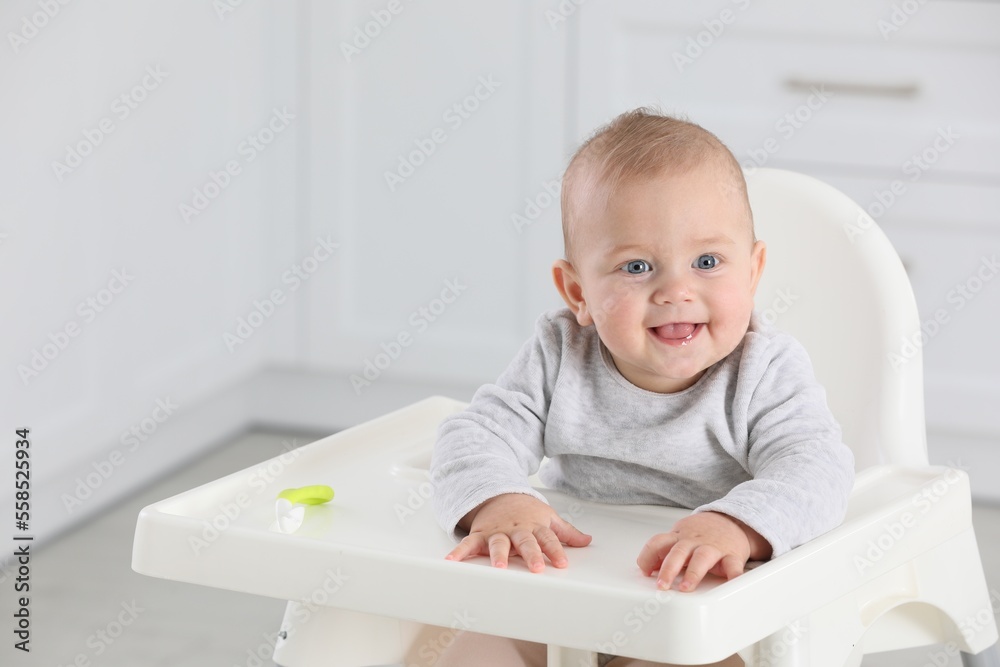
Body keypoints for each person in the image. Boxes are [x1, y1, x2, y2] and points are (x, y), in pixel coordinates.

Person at [428, 108, 856, 667]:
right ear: (577, 291)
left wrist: (736, 525)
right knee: (473, 649)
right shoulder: (560, 353)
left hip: (690, 601)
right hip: (567, 588)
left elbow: (817, 468)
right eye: (636, 267)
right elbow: (475, 434)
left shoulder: (763, 370)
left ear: (752, 272)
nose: (676, 290)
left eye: (707, 261)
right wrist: (499, 501)